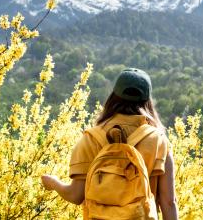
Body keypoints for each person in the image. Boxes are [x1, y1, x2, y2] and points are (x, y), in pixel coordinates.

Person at [41, 68, 178, 219]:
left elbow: (76, 195)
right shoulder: (158, 141)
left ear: (113, 97)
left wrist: (53, 183)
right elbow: (169, 202)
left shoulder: (91, 138)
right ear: (148, 102)